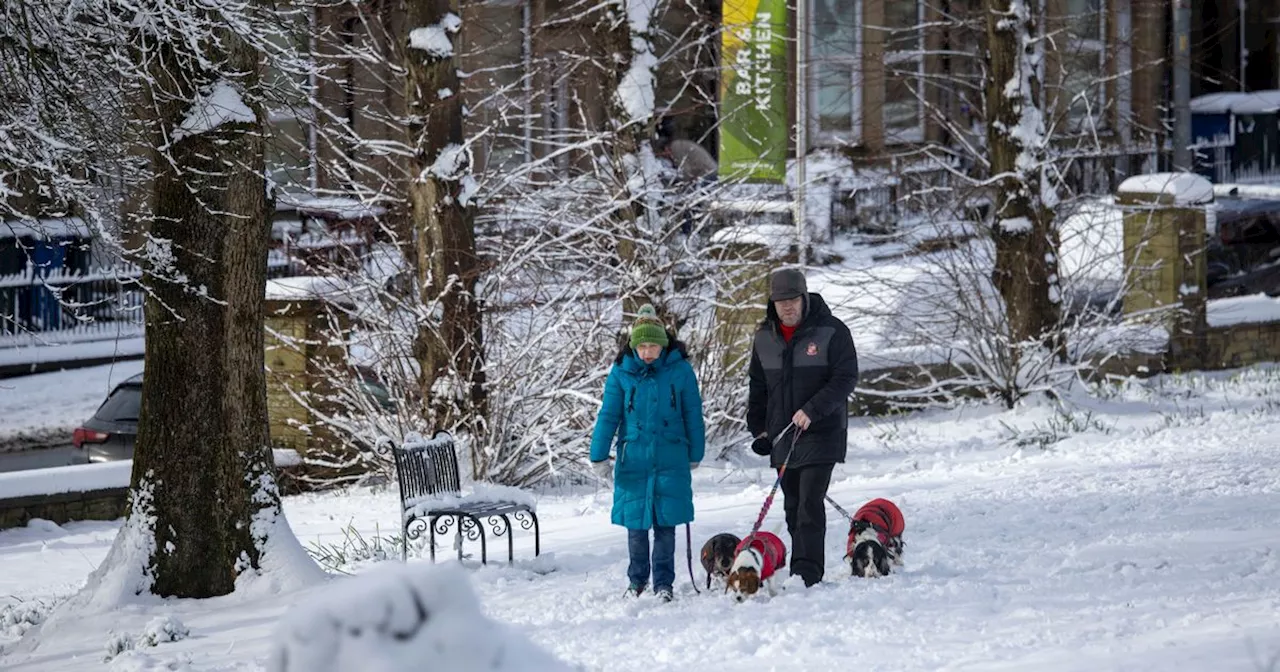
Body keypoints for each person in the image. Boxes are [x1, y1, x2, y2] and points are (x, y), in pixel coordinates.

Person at [747, 268, 859, 587]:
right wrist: (760, 430)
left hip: (822, 433)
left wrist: (812, 409)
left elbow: (845, 378)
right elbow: (758, 387)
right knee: (793, 504)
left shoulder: (831, 331)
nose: (788, 307)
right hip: (783, 438)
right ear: (773, 303)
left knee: (810, 502)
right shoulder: (764, 337)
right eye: (781, 301)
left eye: (793, 299)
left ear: (804, 297)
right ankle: (801, 563)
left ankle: (807, 573)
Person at [589, 304, 706, 602]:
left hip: (671, 457)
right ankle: (637, 580)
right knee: (636, 527)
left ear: (663, 344)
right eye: (642, 346)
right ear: (634, 346)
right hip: (634, 461)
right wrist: (598, 454)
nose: (648, 352)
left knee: (666, 526)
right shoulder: (621, 372)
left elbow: (693, 413)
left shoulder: (679, 370)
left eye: (653, 345)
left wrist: (696, 451)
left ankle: (664, 583)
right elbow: (609, 415)